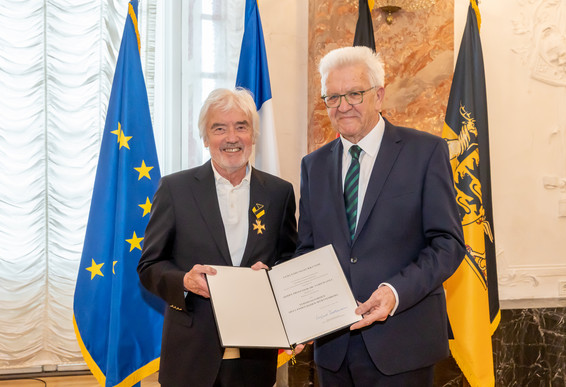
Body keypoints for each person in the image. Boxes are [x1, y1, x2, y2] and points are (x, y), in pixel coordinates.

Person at [295, 46, 466, 386]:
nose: (343, 106)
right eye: (332, 97)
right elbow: (307, 250)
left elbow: (448, 244)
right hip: (333, 349)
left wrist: (393, 292)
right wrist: (294, 305)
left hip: (403, 345)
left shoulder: (426, 152)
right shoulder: (313, 165)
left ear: (379, 95)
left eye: (355, 93)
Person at [137, 87, 297, 387]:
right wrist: (184, 281)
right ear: (205, 137)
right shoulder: (175, 190)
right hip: (190, 357)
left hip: (255, 359)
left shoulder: (279, 193)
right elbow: (149, 266)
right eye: (219, 128)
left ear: (253, 135)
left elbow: (289, 258)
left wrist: (273, 277)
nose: (231, 138)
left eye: (241, 126)